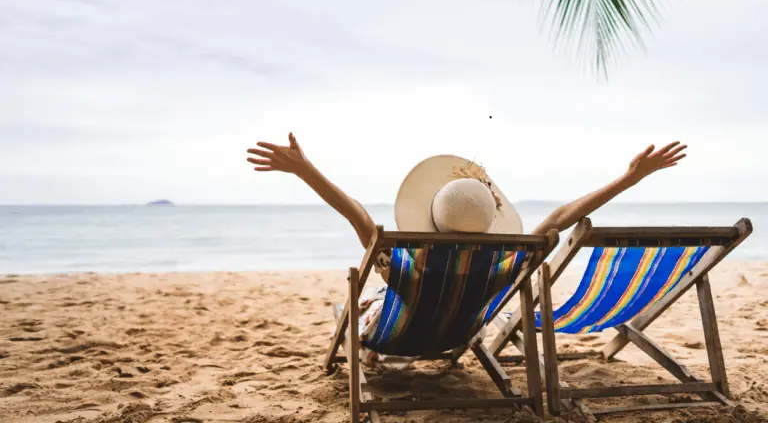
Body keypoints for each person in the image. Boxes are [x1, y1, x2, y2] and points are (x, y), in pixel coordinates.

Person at [246, 133, 687, 366]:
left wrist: (305, 170)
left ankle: (368, 353)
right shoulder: (509, 263)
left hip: (394, 337)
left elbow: (360, 219)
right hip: (457, 334)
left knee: (363, 302)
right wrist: (630, 179)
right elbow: (560, 219)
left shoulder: (406, 265)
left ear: (430, 215)